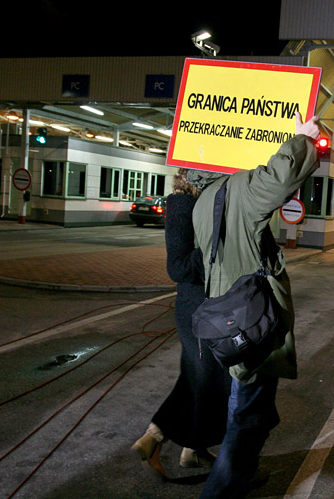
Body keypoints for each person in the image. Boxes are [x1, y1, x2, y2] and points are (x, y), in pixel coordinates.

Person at [189, 112, 321, 498]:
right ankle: (222, 489)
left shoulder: (205, 199)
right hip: (253, 319)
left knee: (251, 407)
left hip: (227, 318)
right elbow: (280, 179)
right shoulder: (237, 189)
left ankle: (243, 472)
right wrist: (301, 139)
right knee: (247, 415)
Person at [131, 169, 231, 477]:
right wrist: (214, 250)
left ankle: (175, 445)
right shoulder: (181, 206)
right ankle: (166, 439)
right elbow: (176, 267)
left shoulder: (205, 204)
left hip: (209, 308)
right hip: (197, 311)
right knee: (210, 381)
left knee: (197, 378)